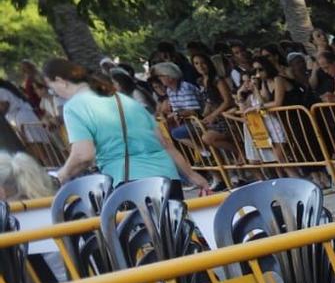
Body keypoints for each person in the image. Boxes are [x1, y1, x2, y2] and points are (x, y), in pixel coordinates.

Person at [42, 58, 212, 191]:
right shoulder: (123, 100)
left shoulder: (74, 106)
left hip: (129, 182)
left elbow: (83, 155)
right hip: (168, 176)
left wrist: (62, 175)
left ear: (60, 80)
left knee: (147, 236)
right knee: (177, 233)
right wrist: (192, 175)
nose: (53, 92)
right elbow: (165, 143)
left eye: (51, 87)